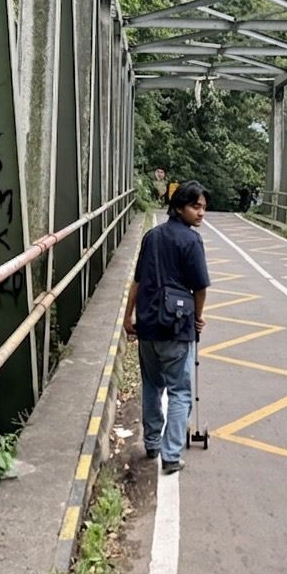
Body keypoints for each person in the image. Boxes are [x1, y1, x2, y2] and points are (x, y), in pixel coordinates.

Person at [124, 181, 211, 475]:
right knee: (179, 391)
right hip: (177, 325)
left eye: (203, 208)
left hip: (147, 322)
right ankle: (171, 455)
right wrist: (198, 317)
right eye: (195, 207)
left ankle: (152, 443)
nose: (201, 213)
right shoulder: (191, 241)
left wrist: (128, 317)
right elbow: (199, 287)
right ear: (178, 208)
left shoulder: (151, 237)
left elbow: (137, 282)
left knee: (151, 384)